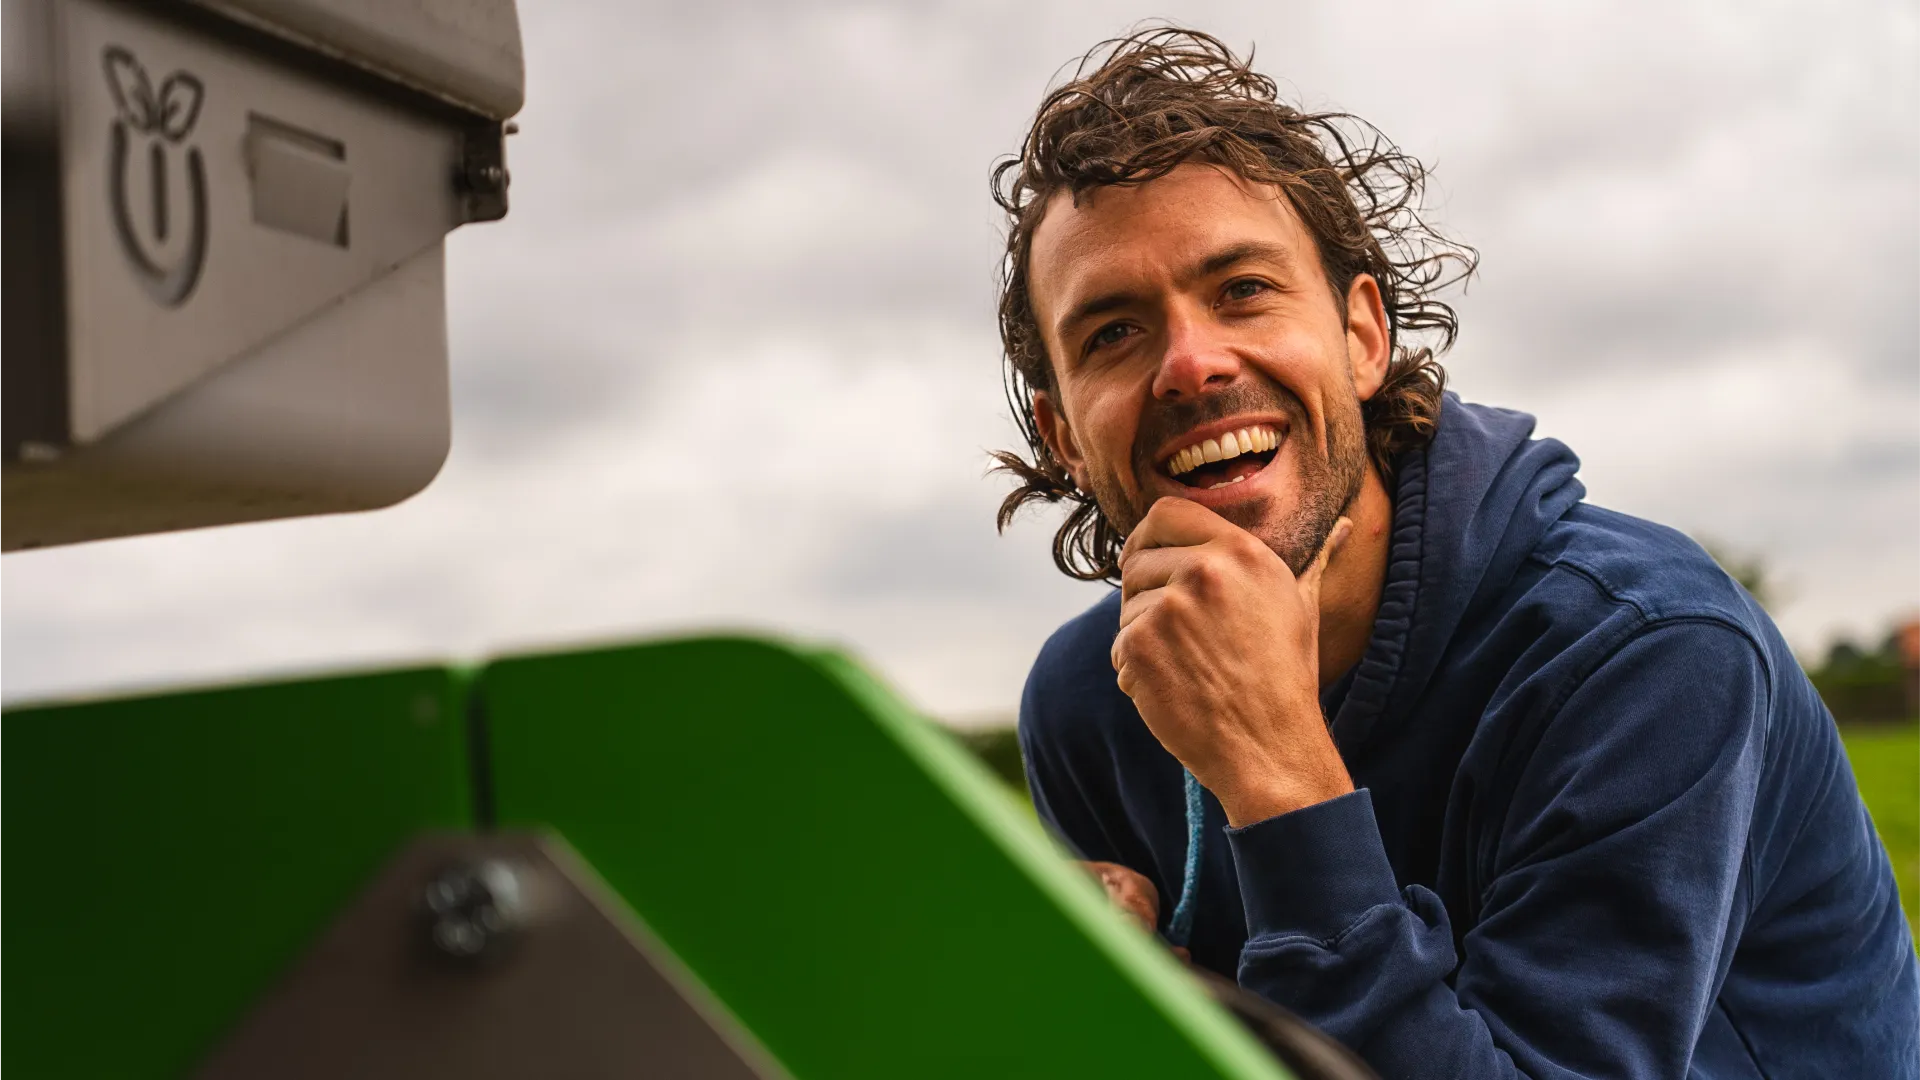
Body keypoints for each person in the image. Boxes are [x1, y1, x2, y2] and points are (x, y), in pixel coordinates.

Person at [994, 27, 1920, 1078]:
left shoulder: (1646, 656)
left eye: (1243, 289)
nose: (1192, 364)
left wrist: (1277, 776)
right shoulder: (1091, 701)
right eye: (1113, 332)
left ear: (1364, 339)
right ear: (1065, 434)